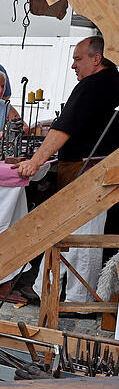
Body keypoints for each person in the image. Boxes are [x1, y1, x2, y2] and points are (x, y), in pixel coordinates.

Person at [15, 36, 119, 305]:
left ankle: (76, 301)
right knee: (77, 235)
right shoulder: (111, 81)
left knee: (79, 237)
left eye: (78, 59)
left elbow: (65, 128)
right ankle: (57, 292)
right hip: (98, 168)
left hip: (89, 171)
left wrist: (35, 161)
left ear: (96, 59)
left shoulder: (93, 84)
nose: (73, 65)